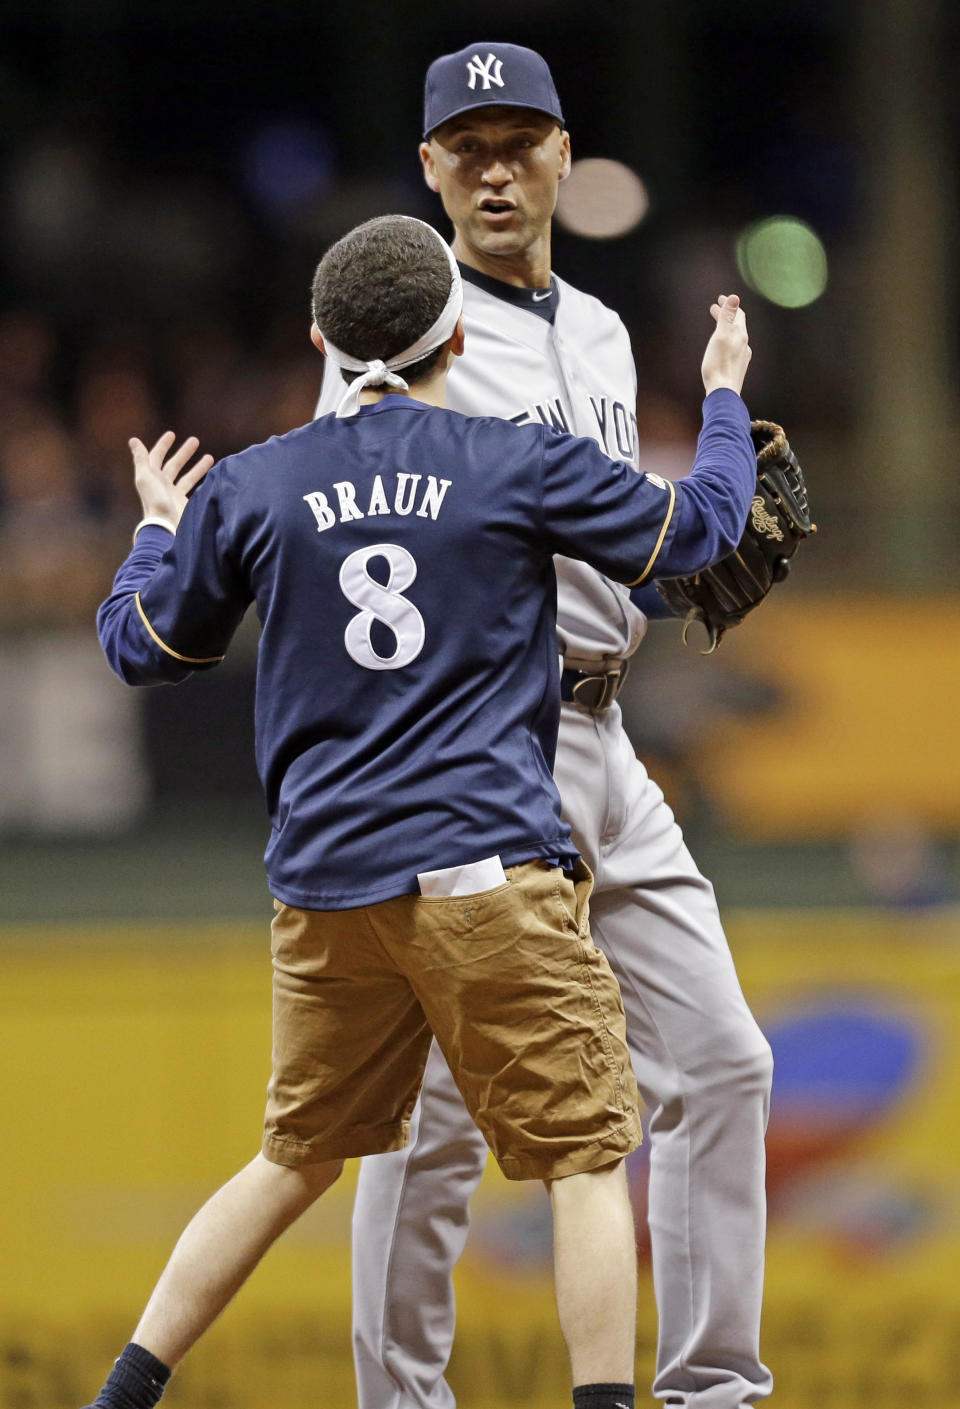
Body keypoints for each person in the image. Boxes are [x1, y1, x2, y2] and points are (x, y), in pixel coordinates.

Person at [85, 215, 755, 1409]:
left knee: (294, 1158)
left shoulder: (251, 482)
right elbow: (698, 531)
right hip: (482, 867)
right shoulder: (505, 459)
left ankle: (123, 1391)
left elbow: (140, 648)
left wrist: (152, 530)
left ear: (319, 340)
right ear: (456, 334)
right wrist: (718, 400)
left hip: (325, 888)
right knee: (590, 1156)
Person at [313, 44, 774, 1409]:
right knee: (438, 1121)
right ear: (430, 173)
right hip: (472, 742)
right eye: (470, 145)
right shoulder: (394, 336)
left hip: (603, 733)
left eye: (522, 139)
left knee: (725, 1062)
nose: (498, 166)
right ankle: (400, 1398)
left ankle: (710, 1390)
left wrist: (682, 555)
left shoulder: (603, 333)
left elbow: (613, 536)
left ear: (568, 155)